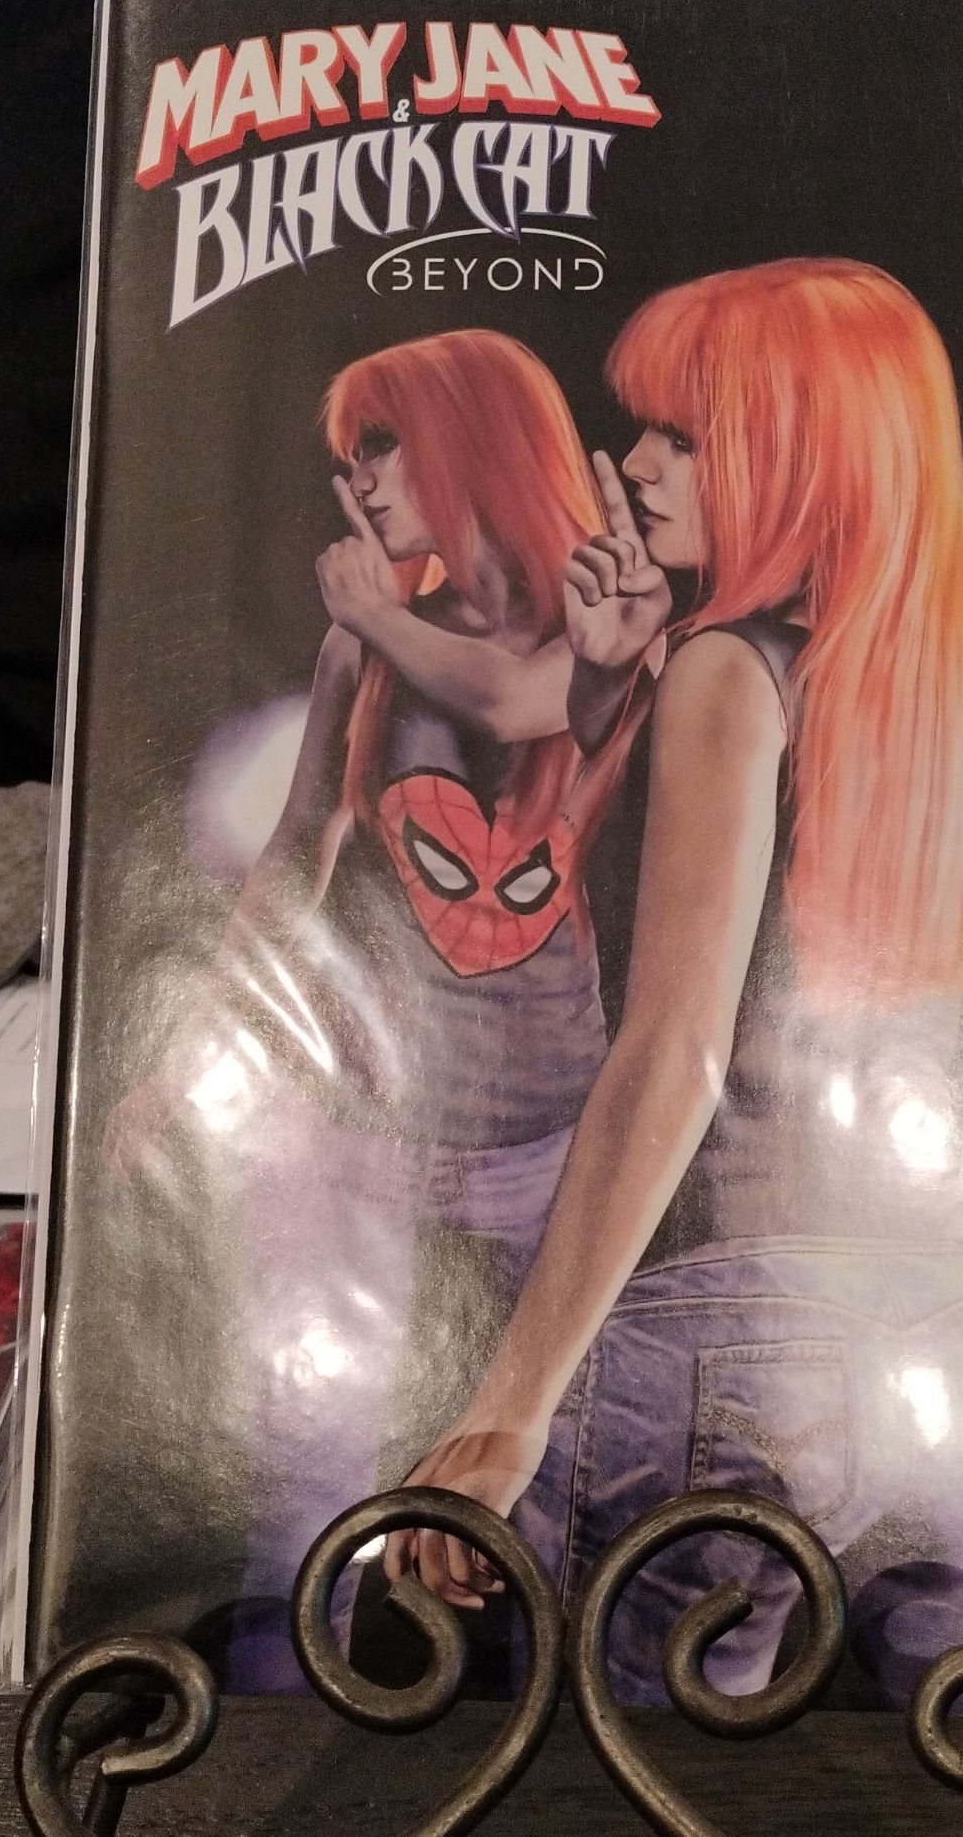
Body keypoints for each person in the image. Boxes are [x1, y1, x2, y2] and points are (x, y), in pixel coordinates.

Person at [382, 259, 963, 1711]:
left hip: (722, 1334)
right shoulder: (955, 686)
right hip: (934, 1335)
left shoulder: (728, 670)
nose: (638, 466)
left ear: (804, 453)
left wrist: (506, 1408)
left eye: (687, 435)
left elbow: (679, 1051)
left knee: (639, 1783)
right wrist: (613, 691)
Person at [109, 327, 617, 1690]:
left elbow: (523, 695)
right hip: (369, 1132)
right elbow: (295, 854)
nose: (362, 483)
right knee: (310, 1472)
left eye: (382, 446)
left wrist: (375, 615)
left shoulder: (607, 622)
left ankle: (569, 1747)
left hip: (552, 1143)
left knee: (564, 1489)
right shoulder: (369, 646)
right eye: (352, 458)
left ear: (469, 439)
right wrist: (185, 1059)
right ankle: (272, 1741)